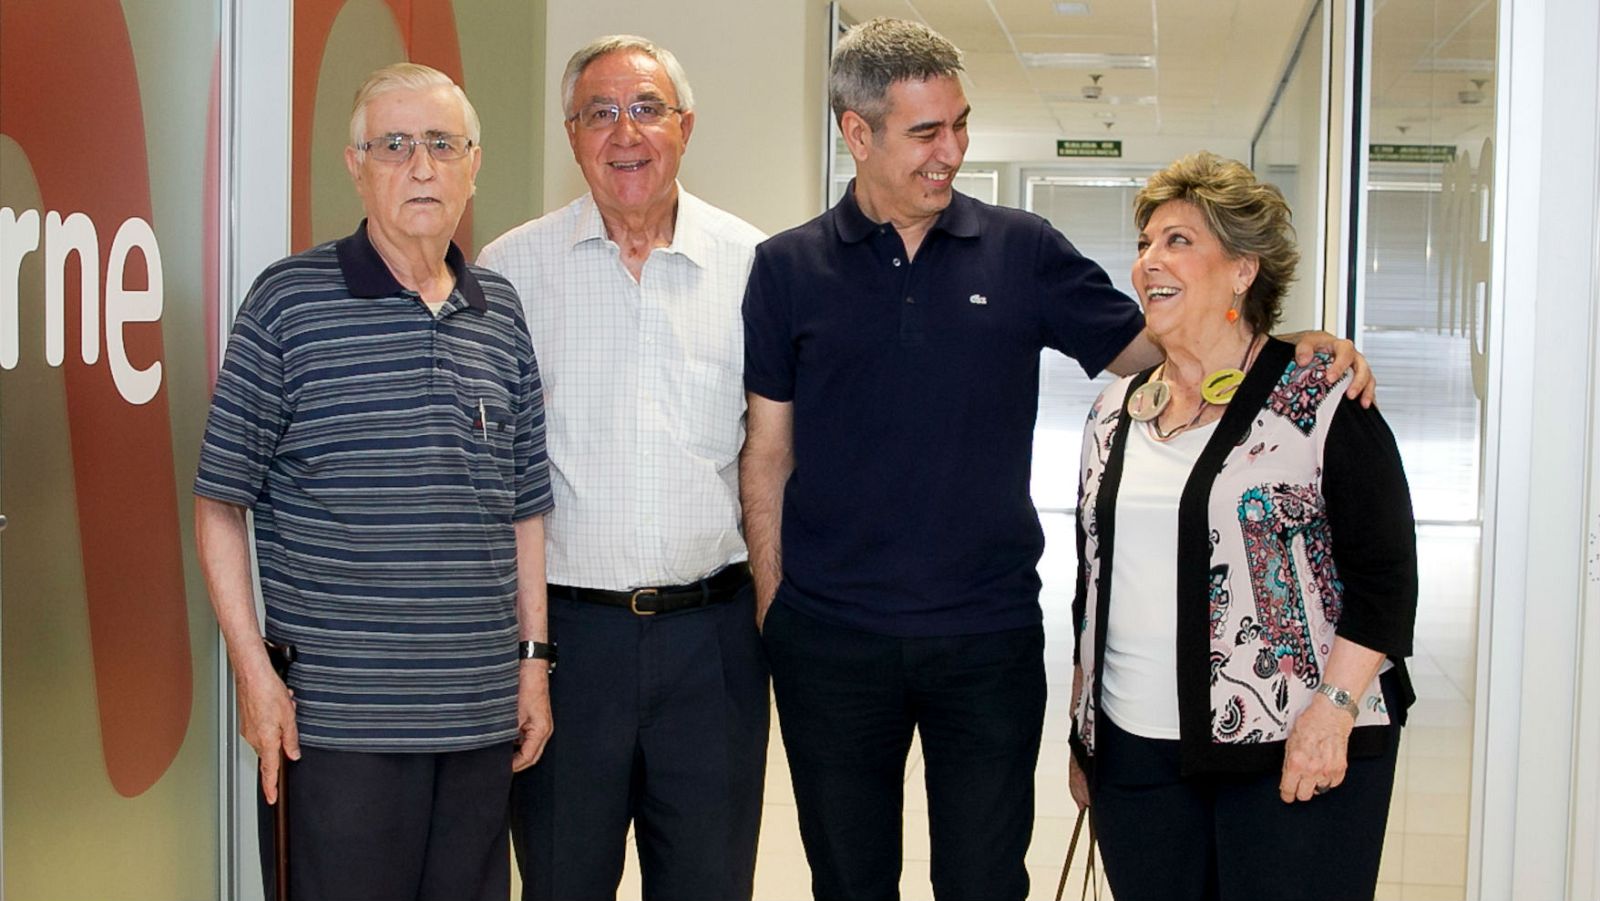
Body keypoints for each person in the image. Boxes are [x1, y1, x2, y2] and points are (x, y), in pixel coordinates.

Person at [740, 18, 1375, 901]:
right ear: (858, 132)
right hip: (832, 640)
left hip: (985, 637)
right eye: (926, 132)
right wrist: (776, 611)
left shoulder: (1022, 248)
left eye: (961, 124)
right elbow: (768, 452)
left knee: (986, 882)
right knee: (848, 881)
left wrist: (1281, 348)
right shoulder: (786, 268)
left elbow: (1156, 348)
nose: (951, 151)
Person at [194, 62, 554, 901]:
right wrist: (253, 672)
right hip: (335, 729)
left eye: (442, 144)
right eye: (393, 145)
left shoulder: (500, 313)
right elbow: (219, 504)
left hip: (478, 722)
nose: (421, 166)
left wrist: (533, 662)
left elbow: (525, 510)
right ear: (355, 166)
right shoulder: (287, 304)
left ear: (474, 164)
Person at [1067, 151, 1416, 901]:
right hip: (1135, 756)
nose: (1149, 262)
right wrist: (1083, 731)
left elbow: (1386, 578)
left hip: (1293, 749)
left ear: (1242, 270)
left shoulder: (1319, 395)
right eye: (1144, 244)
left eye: (1178, 241)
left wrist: (1333, 714)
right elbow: (1091, 582)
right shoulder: (1112, 411)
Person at [477, 36, 769, 901]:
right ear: (571, 135)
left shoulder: (755, 266)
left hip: (714, 643)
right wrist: (522, 652)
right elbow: (491, 479)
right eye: (599, 113)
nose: (625, 133)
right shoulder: (510, 271)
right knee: (562, 881)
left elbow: (777, 457)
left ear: (686, 126)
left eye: (646, 108)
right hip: (568, 646)